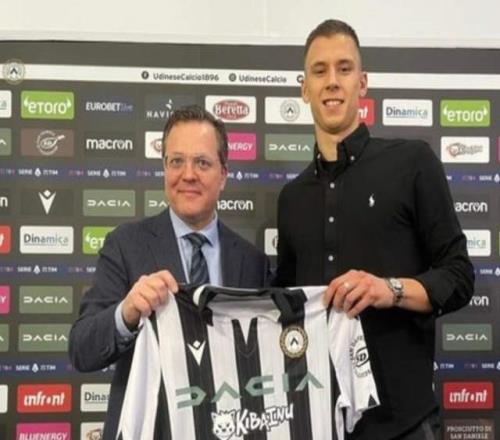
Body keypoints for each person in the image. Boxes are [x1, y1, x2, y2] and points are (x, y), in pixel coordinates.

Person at [274, 19, 474, 440]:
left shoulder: (413, 163)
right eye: (320, 71)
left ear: (362, 83)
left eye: (344, 69)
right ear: (304, 89)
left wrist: (390, 289)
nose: (332, 81)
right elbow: (287, 307)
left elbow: (459, 276)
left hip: (406, 424)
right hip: (317, 422)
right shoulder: (291, 199)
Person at [69, 105, 269, 440]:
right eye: (176, 161)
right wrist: (126, 313)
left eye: (202, 162)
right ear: (164, 168)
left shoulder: (252, 262)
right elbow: (81, 350)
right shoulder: (125, 245)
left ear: (223, 175)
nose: (188, 174)